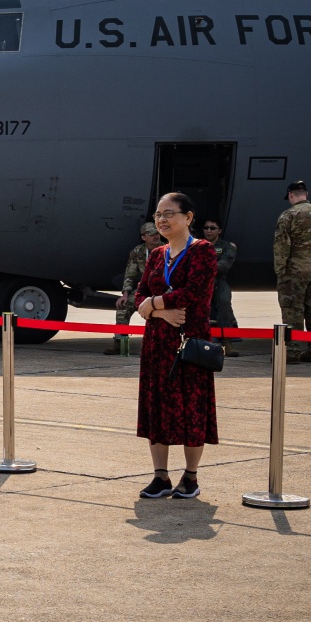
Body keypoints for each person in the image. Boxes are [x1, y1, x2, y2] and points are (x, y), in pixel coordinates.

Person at [133, 192, 218, 500]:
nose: (162, 220)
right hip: (157, 343)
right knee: (157, 409)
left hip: (189, 343)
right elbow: (138, 295)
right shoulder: (156, 255)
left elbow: (195, 292)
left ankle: (190, 477)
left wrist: (153, 303)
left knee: (191, 408)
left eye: (169, 213)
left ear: (188, 218)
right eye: (158, 215)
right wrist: (158, 310)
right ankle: (160, 476)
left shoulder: (203, 251)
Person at [274, 180, 311, 365]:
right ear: (306, 193)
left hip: (294, 271)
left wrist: (280, 271)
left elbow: (281, 247)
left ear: (291, 194)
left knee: (292, 311)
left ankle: (292, 351)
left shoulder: (287, 216)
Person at [106, 222, 164, 354]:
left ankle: (158, 346)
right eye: (151, 234)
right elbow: (130, 274)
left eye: (157, 233)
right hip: (144, 290)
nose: (156, 236)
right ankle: (120, 344)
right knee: (124, 306)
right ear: (144, 237)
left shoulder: (167, 250)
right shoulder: (138, 252)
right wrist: (125, 294)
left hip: (162, 290)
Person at [204, 219, 240, 357]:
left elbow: (224, 265)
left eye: (212, 228)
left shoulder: (227, 246)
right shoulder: (197, 245)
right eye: (206, 228)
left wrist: (202, 268)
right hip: (201, 282)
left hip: (218, 281)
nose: (208, 230)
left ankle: (227, 341)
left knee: (224, 303)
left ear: (219, 230)